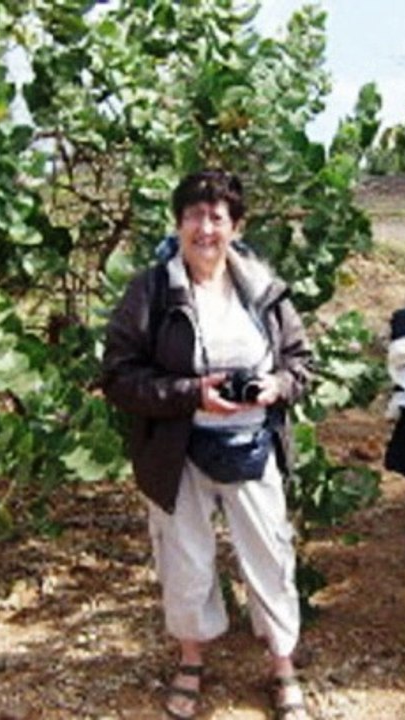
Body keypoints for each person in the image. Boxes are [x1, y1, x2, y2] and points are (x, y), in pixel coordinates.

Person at [100, 170, 314, 719]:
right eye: (194, 215)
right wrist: (191, 395)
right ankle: (191, 659)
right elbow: (119, 376)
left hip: (252, 446)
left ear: (236, 226)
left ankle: (282, 664)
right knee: (186, 560)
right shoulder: (151, 290)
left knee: (270, 555)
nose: (205, 228)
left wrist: (276, 387)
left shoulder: (263, 289)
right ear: (177, 224)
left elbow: (301, 364)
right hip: (177, 452)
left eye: (217, 216)